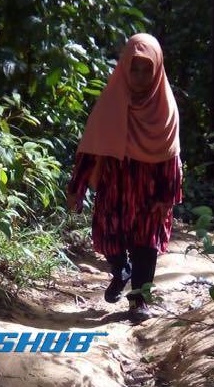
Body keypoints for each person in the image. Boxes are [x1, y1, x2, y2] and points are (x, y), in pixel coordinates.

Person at [66, 33, 183, 323]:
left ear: (157, 70)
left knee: (146, 245)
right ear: (124, 68)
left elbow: (172, 155)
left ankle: (139, 299)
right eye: (135, 68)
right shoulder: (111, 103)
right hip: (114, 187)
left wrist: (168, 196)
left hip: (151, 191)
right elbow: (92, 149)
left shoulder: (164, 108)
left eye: (147, 69)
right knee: (110, 239)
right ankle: (120, 270)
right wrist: (77, 188)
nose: (141, 76)